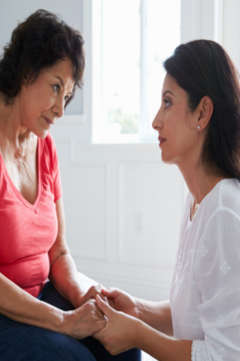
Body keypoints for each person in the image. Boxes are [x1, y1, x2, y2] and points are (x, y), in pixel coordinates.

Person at [0, 9, 141, 361]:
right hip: (5, 311)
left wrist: (83, 298)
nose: (61, 109)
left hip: (42, 294)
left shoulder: (44, 146)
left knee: (125, 347)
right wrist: (64, 321)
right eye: (55, 87)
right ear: (26, 71)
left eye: (67, 95)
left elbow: (58, 252)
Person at [93, 39, 240, 361]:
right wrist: (140, 310)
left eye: (168, 102)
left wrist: (137, 334)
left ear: (202, 112)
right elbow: (200, 314)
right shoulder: (197, 203)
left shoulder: (226, 213)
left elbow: (226, 355)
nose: (156, 121)